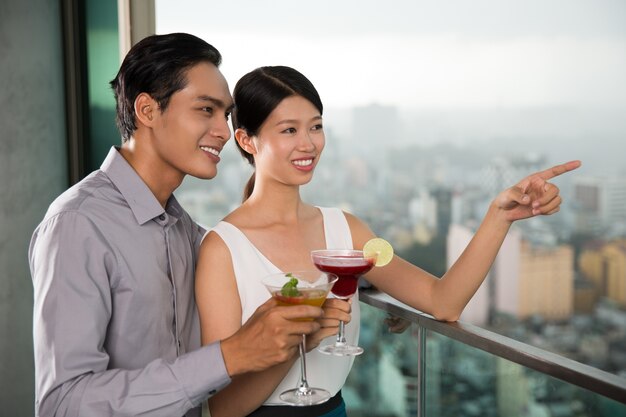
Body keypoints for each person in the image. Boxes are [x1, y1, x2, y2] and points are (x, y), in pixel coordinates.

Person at [194, 65, 582, 417]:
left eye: (315, 126)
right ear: (246, 140)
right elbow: (224, 408)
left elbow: (443, 301)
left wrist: (500, 215)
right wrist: (304, 337)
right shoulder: (222, 249)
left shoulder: (348, 229)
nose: (309, 144)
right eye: (289, 130)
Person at [28, 35, 325, 417]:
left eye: (226, 114)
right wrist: (228, 357)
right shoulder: (77, 225)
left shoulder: (183, 229)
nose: (222, 130)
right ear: (148, 111)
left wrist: (356, 275)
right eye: (206, 110)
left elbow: (256, 257)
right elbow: (62, 404)